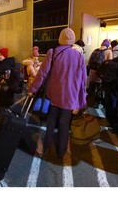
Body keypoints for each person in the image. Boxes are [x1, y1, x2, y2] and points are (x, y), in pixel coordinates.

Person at [28, 27, 87, 159]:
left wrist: (32, 89)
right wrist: (81, 102)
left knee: (51, 121)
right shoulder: (78, 56)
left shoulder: (52, 52)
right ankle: (61, 152)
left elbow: (42, 74)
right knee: (64, 124)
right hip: (70, 97)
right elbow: (83, 80)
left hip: (54, 95)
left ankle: (46, 147)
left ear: (60, 39)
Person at [86, 39, 112, 108]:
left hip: (92, 72)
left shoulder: (95, 50)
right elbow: (110, 64)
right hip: (100, 73)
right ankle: (96, 102)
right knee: (99, 88)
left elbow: (89, 62)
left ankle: (88, 102)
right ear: (108, 45)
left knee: (91, 88)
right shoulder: (108, 51)